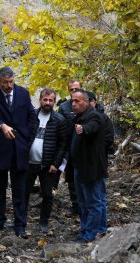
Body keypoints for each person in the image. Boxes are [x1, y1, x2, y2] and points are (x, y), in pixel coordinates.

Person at [0, 67, 37, 238]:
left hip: (20, 149)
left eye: (11, 82)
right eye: (5, 83)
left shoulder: (23, 93)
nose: (9, 85)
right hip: (0, 148)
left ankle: (20, 224)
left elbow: (31, 116)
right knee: (0, 188)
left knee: (19, 189)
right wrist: (2, 126)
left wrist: (27, 136)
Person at [25, 88, 69, 233]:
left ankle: (43, 222)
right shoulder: (31, 115)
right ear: (40, 100)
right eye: (45, 99)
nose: (47, 102)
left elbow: (63, 144)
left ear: (54, 102)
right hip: (29, 163)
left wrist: (56, 164)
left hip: (48, 165)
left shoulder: (59, 120)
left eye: (51, 100)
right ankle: (21, 220)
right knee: (24, 192)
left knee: (47, 194)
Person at [69, 89, 108, 243]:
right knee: (83, 202)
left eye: (77, 101)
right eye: (72, 101)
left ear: (86, 102)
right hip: (80, 167)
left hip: (91, 168)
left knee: (93, 202)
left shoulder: (94, 116)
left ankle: (91, 234)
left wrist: (83, 129)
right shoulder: (78, 117)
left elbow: (92, 127)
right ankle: (86, 229)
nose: (73, 104)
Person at [85, 90, 115, 235]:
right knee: (93, 198)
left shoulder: (103, 118)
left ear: (94, 102)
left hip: (98, 163)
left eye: (89, 101)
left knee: (98, 198)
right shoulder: (83, 118)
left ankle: (99, 229)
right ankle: (96, 227)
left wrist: (94, 148)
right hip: (88, 164)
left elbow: (109, 139)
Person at [57, 79, 82, 216]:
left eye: (76, 89)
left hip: (84, 146)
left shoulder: (88, 103)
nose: (74, 91)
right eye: (71, 89)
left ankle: (84, 204)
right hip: (68, 145)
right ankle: (75, 205)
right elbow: (59, 125)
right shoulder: (64, 106)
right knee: (71, 177)